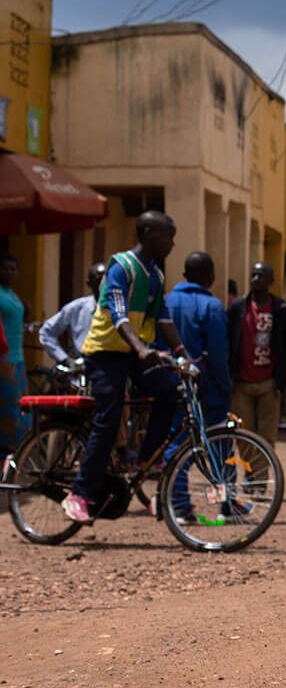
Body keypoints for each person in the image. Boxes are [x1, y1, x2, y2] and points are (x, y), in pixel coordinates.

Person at [65, 211, 186, 523]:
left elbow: (163, 318)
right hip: (106, 353)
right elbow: (118, 315)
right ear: (147, 233)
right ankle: (78, 494)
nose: (172, 243)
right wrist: (141, 347)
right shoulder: (121, 266)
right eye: (167, 236)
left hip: (134, 353)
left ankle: (145, 459)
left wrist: (182, 355)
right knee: (110, 417)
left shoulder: (156, 275)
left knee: (170, 391)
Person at [165, 252, 233, 515]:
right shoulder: (211, 306)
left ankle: (179, 504)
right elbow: (217, 353)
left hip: (173, 383)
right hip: (207, 388)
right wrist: (225, 386)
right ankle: (223, 504)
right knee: (219, 444)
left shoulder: (168, 302)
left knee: (177, 445)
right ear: (210, 276)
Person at [226, 261, 286, 445]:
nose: (256, 279)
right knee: (243, 433)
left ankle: (262, 473)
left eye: (261, 275)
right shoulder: (238, 308)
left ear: (271, 280)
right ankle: (251, 474)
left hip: (269, 384)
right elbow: (228, 339)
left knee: (267, 436)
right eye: (253, 275)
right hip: (241, 383)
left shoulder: (280, 309)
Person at [39, 263, 107, 366]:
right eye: (99, 279)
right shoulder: (76, 308)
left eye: (107, 280)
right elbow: (46, 332)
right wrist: (64, 359)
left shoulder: (121, 309)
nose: (104, 284)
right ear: (89, 283)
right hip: (82, 368)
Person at [0, 253, 28, 453]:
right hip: (4, 358)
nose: (9, 272)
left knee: (20, 407)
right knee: (7, 408)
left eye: (13, 269)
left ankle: (16, 450)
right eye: (5, 268)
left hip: (18, 358)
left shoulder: (14, 295)